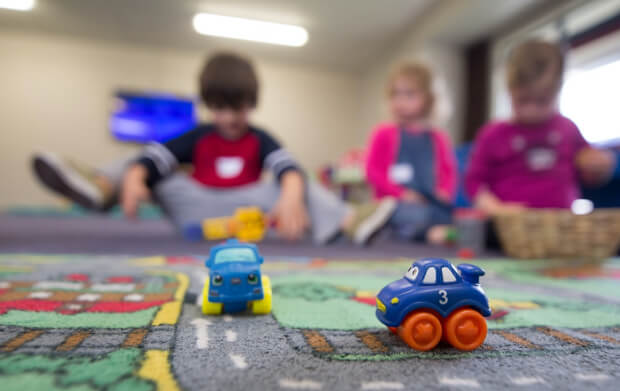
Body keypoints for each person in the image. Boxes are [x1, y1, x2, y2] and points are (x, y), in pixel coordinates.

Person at [31, 52, 395, 245]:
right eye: (219, 108)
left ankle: (350, 222)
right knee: (141, 160)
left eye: (237, 108)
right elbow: (154, 158)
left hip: (247, 209)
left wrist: (291, 196)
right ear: (208, 105)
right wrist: (137, 177)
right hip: (195, 207)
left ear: (251, 104)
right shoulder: (199, 134)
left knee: (296, 179)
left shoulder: (259, 137)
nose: (229, 117)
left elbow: (287, 168)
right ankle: (101, 187)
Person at [465, 39, 616, 213]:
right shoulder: (492, 134)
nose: (531, 110)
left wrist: (601, 167)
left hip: (561, 225)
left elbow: (590, 177)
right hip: (508, 229)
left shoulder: (567, 128)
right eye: (522, 101)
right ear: (509, 91)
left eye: (542, 101)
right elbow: (474, 183)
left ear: (558, 91)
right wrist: (497, 209)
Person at [365, 62, 457, 243]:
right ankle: (422, 233)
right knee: (398, 213)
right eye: (395, 94)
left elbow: (448, 172)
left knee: (447, 214)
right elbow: (373, 172)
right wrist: (402, 195)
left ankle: (419, 232)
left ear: (428, 99)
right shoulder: (384, 133)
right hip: (394, 203)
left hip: (427, 202)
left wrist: (444, 192)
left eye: (409, 94)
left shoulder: (437, 138)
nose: (400, 101)